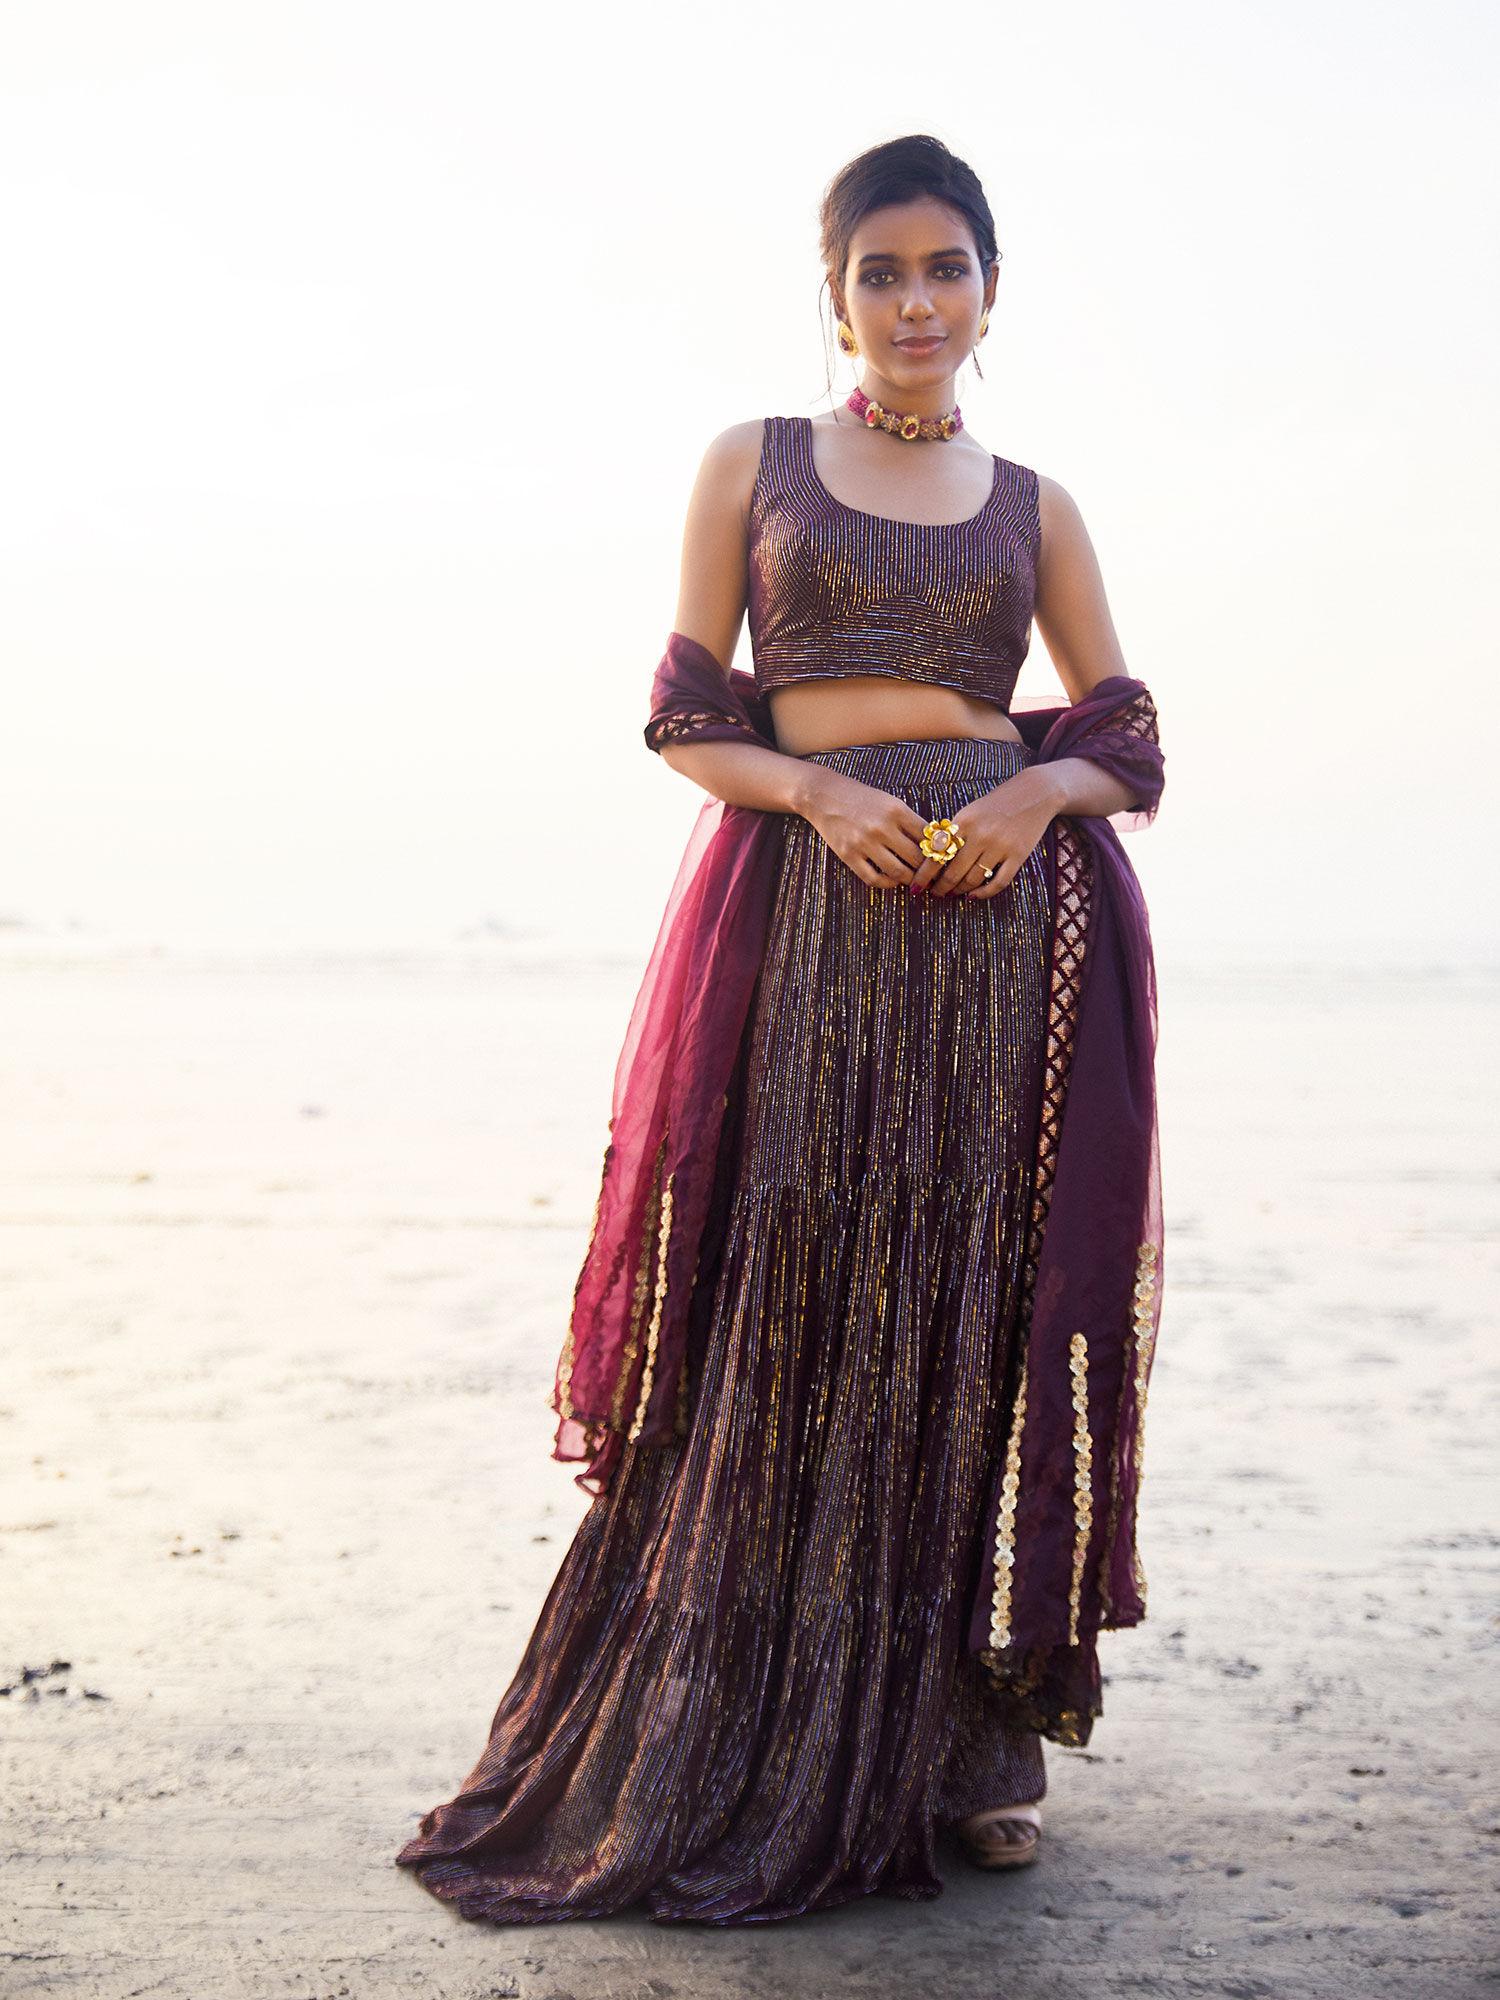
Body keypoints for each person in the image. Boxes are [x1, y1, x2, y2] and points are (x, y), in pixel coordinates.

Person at [395, 131, 1166, 1928]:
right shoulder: (752, 465)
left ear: (990, 291)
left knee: (962, 1306)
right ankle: (724, 1712)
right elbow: (682, 715)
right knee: (792, 1285)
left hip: (991, 941)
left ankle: (967, 1750)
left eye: (945, 268)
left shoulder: (1036, 502)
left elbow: (1123, 738)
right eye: (880, 270)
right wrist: (815, 800)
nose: (915, 301)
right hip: (816, 924)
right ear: (833, 292)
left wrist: (1028, 801)